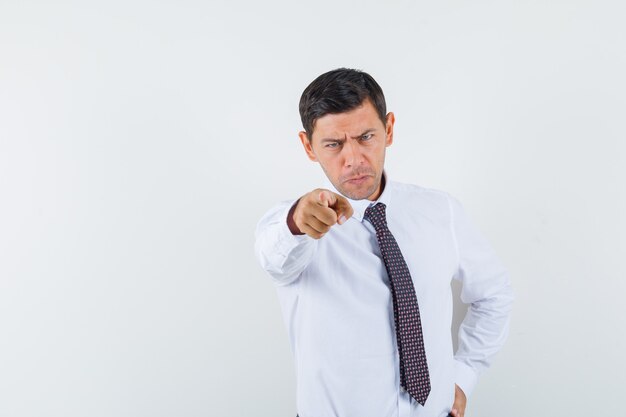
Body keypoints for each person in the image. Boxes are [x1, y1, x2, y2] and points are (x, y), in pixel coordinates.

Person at [254, 68, 513, 417]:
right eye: (333, 144)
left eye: (366, 137)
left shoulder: (441, 212)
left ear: (389, 129)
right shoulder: (297, 226)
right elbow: (274, 256)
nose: (354, 159)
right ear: (308, 146)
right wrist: (298, 221)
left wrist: (464, 376)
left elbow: (493, 295)